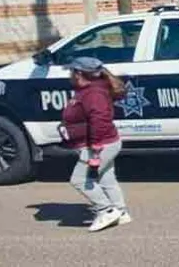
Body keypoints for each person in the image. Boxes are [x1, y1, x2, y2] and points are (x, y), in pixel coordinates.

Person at [60, 56, 129, 232]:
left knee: (79, 180)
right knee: (106, 178)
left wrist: (96, 148)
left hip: (99, 145)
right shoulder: (91, 89)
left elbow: (100, 120)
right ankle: (120, 212)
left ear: (79, 73)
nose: (69, 75)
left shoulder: (93, 93)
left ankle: (106, 210)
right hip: (104, 143)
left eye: (71, 71)